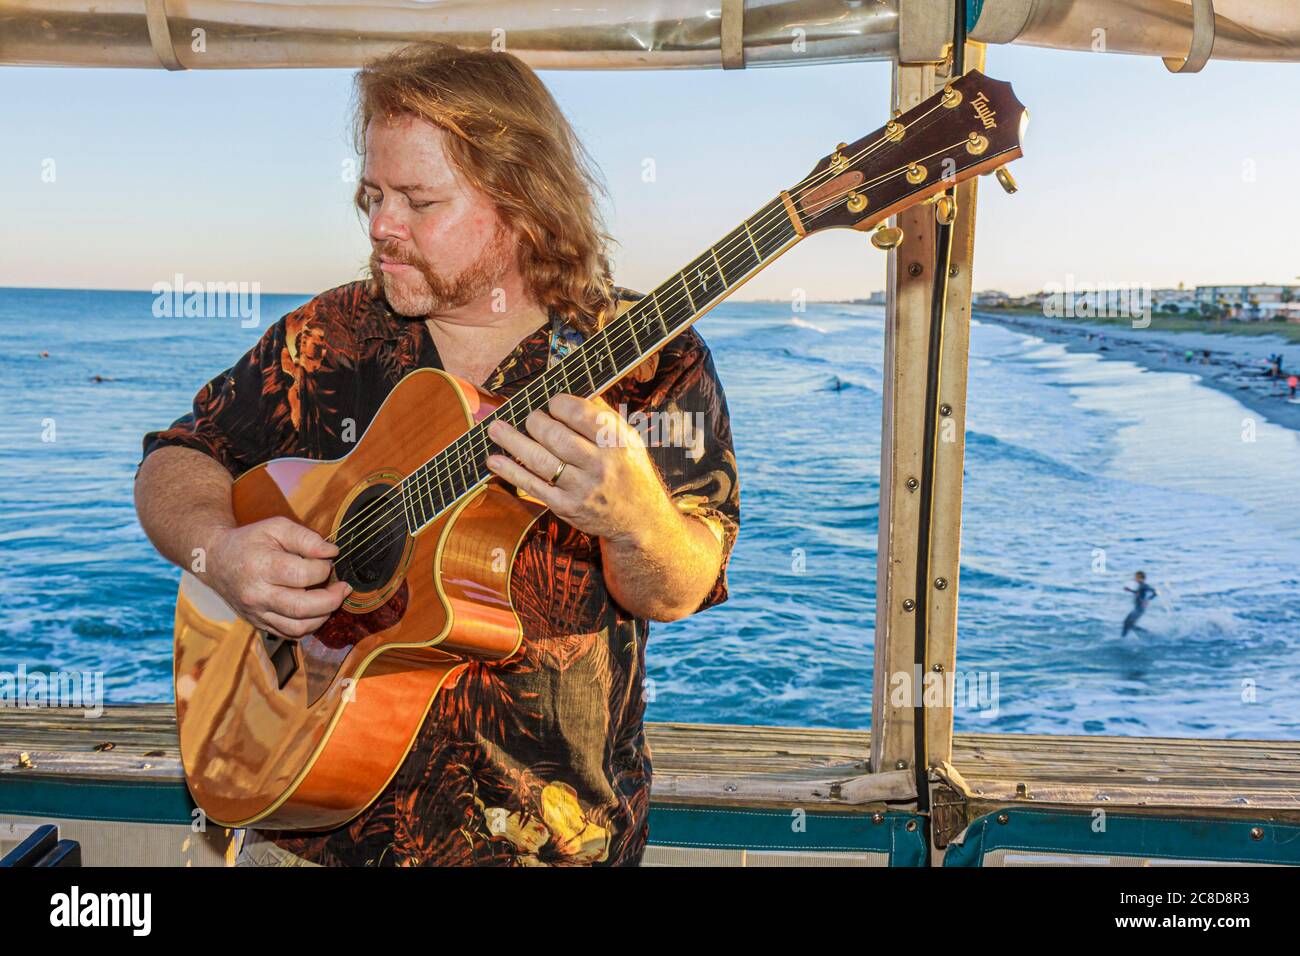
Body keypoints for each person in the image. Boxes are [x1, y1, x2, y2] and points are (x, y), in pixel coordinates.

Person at [133, 42, 741, 867]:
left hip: (551, 848)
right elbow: (178, 457)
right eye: (373, 195)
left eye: (419, 201)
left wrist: (633, 522)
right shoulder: (331, 338)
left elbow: (684, 582)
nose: (382, 226)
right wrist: (228, 550)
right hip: (314, 832)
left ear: (524, 200)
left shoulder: (649, 360)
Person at [1122, 571, 1157, 637]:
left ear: (1140, 578)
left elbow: (1155, 592)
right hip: (1137, 608)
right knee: (1126, 623)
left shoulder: (1144, 586)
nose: (1135, 579)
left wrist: (1148, 600)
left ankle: (1147, 633)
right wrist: (1129, 590)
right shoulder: (1140, 586)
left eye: (1136, 577)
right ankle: (1123, 637)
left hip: (1140, 609)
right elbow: (1138, 593)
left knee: (1129, 624)